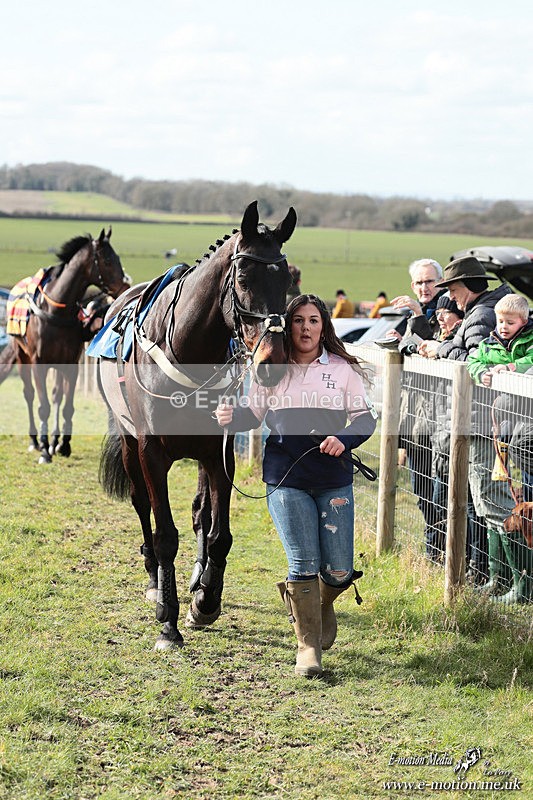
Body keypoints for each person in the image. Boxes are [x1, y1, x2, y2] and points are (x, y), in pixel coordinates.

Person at [215, 294, 377, 677]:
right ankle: (307, 648)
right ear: (288, 327)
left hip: (333, 479)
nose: (306, 328)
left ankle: (318, 605)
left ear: (324, 326)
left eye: (314, 321)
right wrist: (229, 416)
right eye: (299, 321)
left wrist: (345, 439)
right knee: (302, 561)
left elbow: (364, 420)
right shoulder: (272, 370)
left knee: (338, 570)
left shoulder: (341, 369)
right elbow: (252, 417)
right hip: (285, 478)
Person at [418, 255, 515, 597]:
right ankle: (500, 579)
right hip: (478, 420)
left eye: (455, 289)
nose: (452, 298)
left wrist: (440, 347)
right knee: (484, 502)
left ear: (470, 287)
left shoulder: (481, 315)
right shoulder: (482, 310)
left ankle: (513, 581)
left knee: (490, 502)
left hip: (479, 420)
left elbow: (473, 360)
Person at [466, 293, 533, 603]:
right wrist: (484, 373)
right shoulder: (488, 343)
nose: (504, 327)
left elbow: (530, 362)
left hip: (522, 425)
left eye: (511, 322)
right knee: (492, 496)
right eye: (501, 321)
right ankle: (500, 577)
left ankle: (521, 584)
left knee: (513, 500)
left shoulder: (528, 344)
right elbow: (473, 361)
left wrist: (512, 367)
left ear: (524, 321)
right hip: (498, 429)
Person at [388, 258, 446, 562]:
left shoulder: (447, 309)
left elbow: (425, 343)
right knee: (423, 495)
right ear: (413, 285)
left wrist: (418, 315)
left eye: (429, 281)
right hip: (413, 420)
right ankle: (433, 554)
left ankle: (438, 554)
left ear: (440, 281)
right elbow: (405, 347)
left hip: (440, 419)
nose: (425, 287)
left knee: (442, 495)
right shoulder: (410, 314)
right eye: (419, 283)